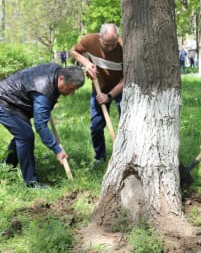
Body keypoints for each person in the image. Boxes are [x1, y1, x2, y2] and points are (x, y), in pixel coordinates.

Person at [0, 64, 85, 187]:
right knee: (25, 135)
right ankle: (31, 182)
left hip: (17, 101)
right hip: (5, 101)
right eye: (70, 88)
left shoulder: (57, 71)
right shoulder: (44, 91)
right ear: (61, 79)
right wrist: (57, 149)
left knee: (23, 133)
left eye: (74, 90)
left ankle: (6, 167)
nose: (71, 93)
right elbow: (40, 126)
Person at [70, 23, 123, 163]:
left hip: (121, 89)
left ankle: (125, 155)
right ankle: (100, 157)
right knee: (96, 125)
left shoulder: (124, 47)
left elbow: (127, 79)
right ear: (100, 38)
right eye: (107, 44)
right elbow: (74, 51)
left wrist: (109, 96)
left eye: (114, 44)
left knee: (126, 121)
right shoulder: (89, 40)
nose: (111, 48)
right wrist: (87, 64)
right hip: (99, 87)